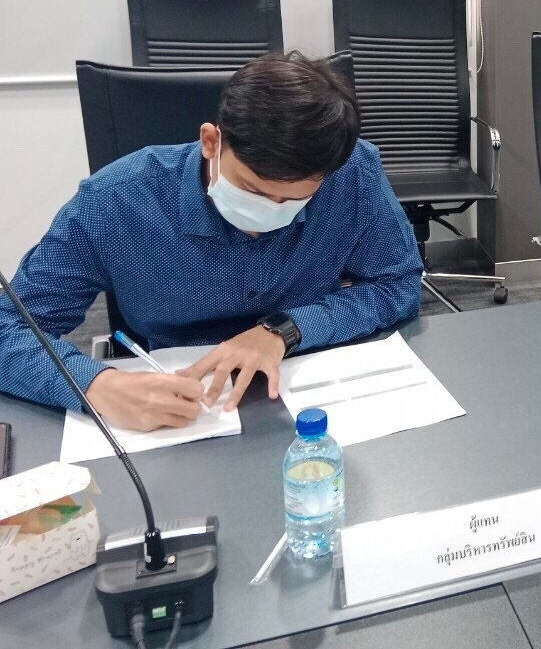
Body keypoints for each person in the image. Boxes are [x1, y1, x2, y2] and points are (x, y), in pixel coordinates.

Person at [0, 53, 423, 431]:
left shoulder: (352, 174)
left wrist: (286, 330)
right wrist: (94, 385)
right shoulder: (115, 201)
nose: (271, 212)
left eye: (295, 200)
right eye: (254, 191)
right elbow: (7, 329)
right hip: (177, 401)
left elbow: (397, 284)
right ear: (211, 142)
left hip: (309, 388)